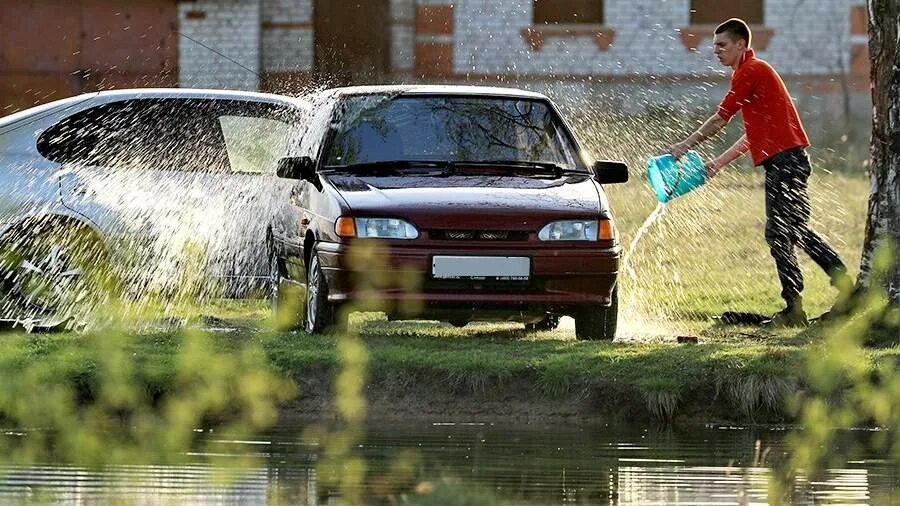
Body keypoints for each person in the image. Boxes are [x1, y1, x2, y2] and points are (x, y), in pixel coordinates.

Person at [668, 18, 852, 326]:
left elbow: (720, 118)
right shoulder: (749, 73)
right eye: (714, 46)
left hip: (786, 163)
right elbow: (752, 135)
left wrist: (685, 144)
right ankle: (802, 305)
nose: (716, 51)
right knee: (789, 232)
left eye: (722, 45)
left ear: (741, 45)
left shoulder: (751, 71)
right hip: (783, 162)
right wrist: (718, 163)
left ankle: (817, 299)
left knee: (783, 232)